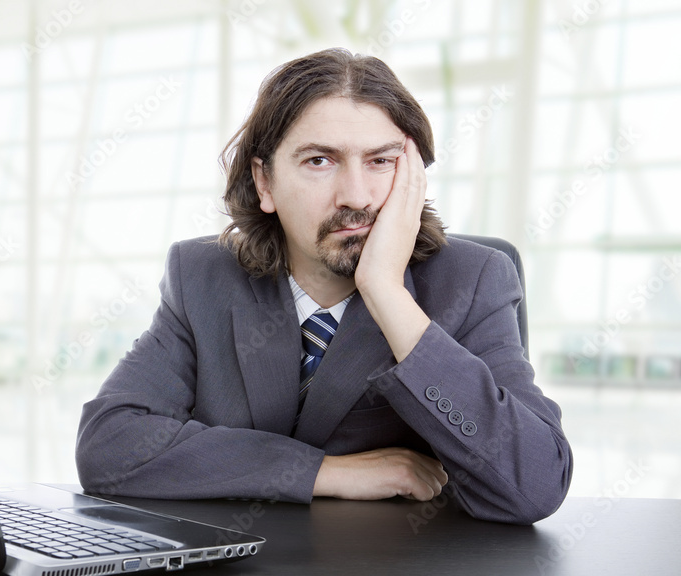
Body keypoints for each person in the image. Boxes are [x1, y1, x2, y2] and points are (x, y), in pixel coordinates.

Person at [75, 48, 572, 524]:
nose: (356, 196)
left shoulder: (473, 280)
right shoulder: (202, 276)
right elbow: (109, 447)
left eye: (381, 161)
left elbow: (535, 483)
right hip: (241, 573)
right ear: (264, 182)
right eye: (320, 160)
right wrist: (323, 472)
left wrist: (386, 292)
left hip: (404, 575)